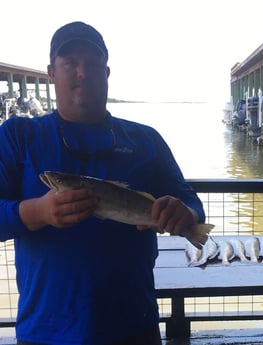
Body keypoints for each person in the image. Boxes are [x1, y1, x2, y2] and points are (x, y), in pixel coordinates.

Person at [0, 21, 206, 344]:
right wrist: (38, 213)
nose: (82, 72)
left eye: (93, 64)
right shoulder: (18, 137)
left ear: (107, 73)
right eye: (70, 63)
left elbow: (190, 201)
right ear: (52, 72)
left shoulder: (146, 140)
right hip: (45, 332)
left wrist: (187, 215)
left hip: (134, 326)